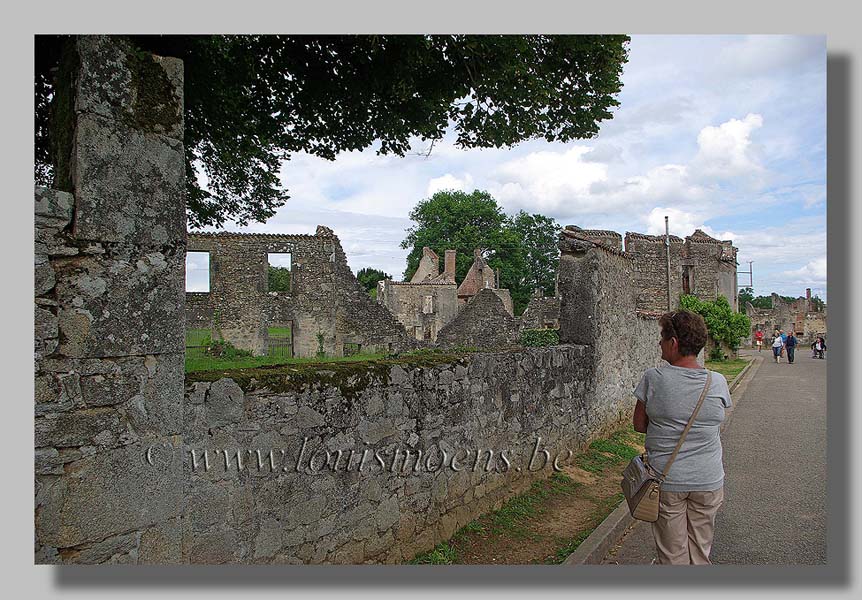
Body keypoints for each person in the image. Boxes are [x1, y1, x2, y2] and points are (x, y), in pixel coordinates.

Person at [633, 310, 731, 565]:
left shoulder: (653, 378)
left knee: (673, 556)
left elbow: (639, 424)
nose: (659, 343)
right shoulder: (718, 382)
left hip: (668, 479)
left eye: (662, 338)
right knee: (700, 551)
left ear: (673, 343)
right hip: (708, 479)